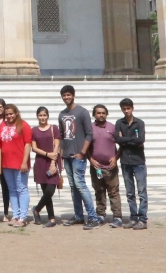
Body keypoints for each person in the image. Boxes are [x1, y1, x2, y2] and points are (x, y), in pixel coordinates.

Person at [57, 85, 97, 228]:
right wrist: (60, 156)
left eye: (68, 95)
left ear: (73, 95)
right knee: (73, 186)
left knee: (80, 185)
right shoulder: (61, 114)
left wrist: (82, 152)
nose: (66, 97)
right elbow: (61, 136)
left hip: (78, 155)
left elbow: (89, 133)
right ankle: (79, 215)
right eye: (64, 95)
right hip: (66, 155)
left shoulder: (82, 112)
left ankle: (93, 217)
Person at [89, 104, 123, 228]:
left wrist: (116, 158)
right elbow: (86, 146)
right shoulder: (90, 128)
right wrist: (91, 160)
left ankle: (117, 217)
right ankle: (100, 215)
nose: (101, 115)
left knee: (113, 192)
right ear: (94, 114)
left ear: (106, 114)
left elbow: (122, 145)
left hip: (110, 167)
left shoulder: (113, 128)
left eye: (103, 113)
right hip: (96, 167)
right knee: (99, 191)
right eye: (98, 113)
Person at [115, 98, 147, 230]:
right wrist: (129, 140)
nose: (126, 111)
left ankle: (143, 219)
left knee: (141, 191)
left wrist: (125, 140)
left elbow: (141, 140)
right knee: (130, 192)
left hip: (138, 161)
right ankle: (133, 217)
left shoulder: (139, 123)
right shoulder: (119, 123)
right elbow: (117, 139)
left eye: (128, 108)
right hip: (125, 161)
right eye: (124, 109)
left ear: (132, 108)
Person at [0, 103, 32, 227]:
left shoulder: (23, 125)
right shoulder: (2, 125)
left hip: (20, 163)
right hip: (6, 163)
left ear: (16, 113)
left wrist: (24, 161)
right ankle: (16, 214)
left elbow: (27, 144)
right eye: (6, 114)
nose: (9, 116)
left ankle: (23, 216)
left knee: (21, 189)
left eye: (11, 114)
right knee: (12, 190)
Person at [30, 106, 61, 227]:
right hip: (40, 163)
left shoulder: (54, 128)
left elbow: (57, 145)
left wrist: (53, 162)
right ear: (37, 116)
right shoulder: (34, 130)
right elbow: (34, 148)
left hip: (52, 162)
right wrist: (48, 154)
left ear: (47, 116)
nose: (42, 118)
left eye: (44, 115)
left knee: (50, 190)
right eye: (40, 115)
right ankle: (52, 218)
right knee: (45, 192)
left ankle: (37, 209)